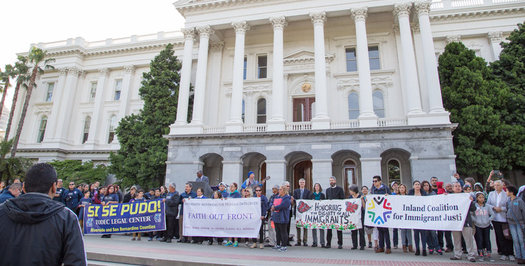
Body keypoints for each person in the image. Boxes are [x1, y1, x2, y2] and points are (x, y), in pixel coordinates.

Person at [0, 163, 86, 265]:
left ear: (23, 187)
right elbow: (76, 261)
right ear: (54, 187)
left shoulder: (2, 211)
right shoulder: (66, 218)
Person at [487, 180, 514, 261]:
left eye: (498, 185)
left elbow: (509, 205)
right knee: (500, 237)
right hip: (495, 219)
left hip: (505, 218)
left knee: (508, 236)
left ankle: (510, 253)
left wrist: (501, 209)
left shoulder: (506, 194)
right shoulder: (491, 194)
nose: (496, 187)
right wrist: (494, 208)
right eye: (495, 185)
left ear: (502, 186)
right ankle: (504, 252)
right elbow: (488, 204)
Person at [450, 182, 477, 262]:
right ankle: (457, 255)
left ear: (461, 188)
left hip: (466, 221)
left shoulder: (467, 196)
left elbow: (473, 209)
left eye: (459, 186)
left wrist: (471, 201)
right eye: (456, 186)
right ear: (453, 188)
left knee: (468, 239)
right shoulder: (450, 197)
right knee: (456, 239)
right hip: (455, 221)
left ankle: (471, 255)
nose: (458, 187)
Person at [371, 175, 391, 254]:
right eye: (373, 181)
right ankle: (381, 246)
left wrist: (388, 196)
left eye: (376, 181)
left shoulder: (385, 188)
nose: (374, 183)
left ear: (380, 181)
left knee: (385, 230)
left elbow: (391, 198)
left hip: (385, 211)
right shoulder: (373, 190)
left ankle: (388, 247)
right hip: (377, 212)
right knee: (380, 230)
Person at [472, 191, 494, 262]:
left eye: (482, 197)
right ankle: (480, 253)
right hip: (478, 225)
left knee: (487, 239)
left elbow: (492, 214)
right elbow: (471, 214)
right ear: (477, 198)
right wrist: (475, 220)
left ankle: (488, 253)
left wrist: (489, 220)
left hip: (486, 225)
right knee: (479, 239)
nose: (481, 199)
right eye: (479, 197)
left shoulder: (487, 206)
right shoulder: (475, 206)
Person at [422, 180, 442, 255]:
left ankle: (437, 247)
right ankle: (430, 247)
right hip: (424, 216)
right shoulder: (421, 194)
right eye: (424, 185)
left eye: (427, 185)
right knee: (426, 233)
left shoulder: (433, 193)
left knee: (433, 233)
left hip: (432, 216)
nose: (426, 187)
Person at [506, 185, 525, 264]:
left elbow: (523, 211)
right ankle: (518, 256)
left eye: (507, 191)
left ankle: (523, 256)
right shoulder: (508, 201)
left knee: (521, 240)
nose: (506, 192)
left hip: (519, 222)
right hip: (511, 223)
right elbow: (507, 209)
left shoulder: (519, 201)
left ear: (511, 192)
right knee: (515, 240)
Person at [324, 176, 344, 249]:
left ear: (335, 181)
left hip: (338, 212)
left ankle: (340, 243)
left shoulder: (340, 189)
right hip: (330, 212)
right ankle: (328, 243)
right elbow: (326, 199)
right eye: (330, 181)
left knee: (339, 228)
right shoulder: (327, 190)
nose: (331, 182)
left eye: (332, 180)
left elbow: (342, 199)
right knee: (329, 228)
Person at [409, 180, 427, 256]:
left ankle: (424, 249)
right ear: (413, 186)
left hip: (422, 216)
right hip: (414, 216)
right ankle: (417, 249)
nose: (417, 186)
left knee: (423, 234)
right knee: (416, 234)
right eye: (415, 184)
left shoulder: (423, 193)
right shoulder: (410, 193)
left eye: (418, 184)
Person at [271, 185, 291, 252]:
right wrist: (272, 206)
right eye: (279, 189)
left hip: (283, 217)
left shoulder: (286, 198)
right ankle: (278, 244)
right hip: (276, 216)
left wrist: (275, 208)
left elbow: (284, 205)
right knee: (278, 231)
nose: (279, 190)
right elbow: (273, 203)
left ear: (284, 190)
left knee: (283, 231)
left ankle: (284, 245)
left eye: (280, 189)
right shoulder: (277, 196)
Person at [292, 178, 312, 246]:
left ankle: (305, 240)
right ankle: (298, 241)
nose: (302, 184)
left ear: (305, 183)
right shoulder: (296, 191)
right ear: (299, 183)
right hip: (297, 211)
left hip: (305, 211)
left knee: (305, 226)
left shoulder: (308, 191)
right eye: (301, 182)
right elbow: (294, 200)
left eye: (303, 182)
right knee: (298, 226)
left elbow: (309, 201)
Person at [397, 184, 413, 253]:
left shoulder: (408, 197)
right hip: (400, 216)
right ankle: (404, 245)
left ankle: (410, 246)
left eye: (403, 187)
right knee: (403, 231)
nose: (402, 189)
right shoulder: (396, 197)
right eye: (400, 188)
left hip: (407, 216)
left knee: (409, 231)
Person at [349, 184, 366, 250]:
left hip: (360, 215)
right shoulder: (350, 197)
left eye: (351, 190)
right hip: (353, 216)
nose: (350, 192)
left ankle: (362, 245)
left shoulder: (360, 196)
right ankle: (354, 244)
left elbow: (364, 206)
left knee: (361, 231)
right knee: (353, 230)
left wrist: (361, 200)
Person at [225, 182, 241, 247]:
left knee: (235, 227)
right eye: (230, 186)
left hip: (235, 212)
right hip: (229, 212)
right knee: (229, 227)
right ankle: (230, 240)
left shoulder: (237, 194)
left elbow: (238, 202)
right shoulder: (229, 194)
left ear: (235, 187)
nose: (231, 188)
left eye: (232, 186)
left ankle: (236, 241)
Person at [310, 183, 326, 248]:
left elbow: (325, 203)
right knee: (314, 228)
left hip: (320, 214)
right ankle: (314, 242)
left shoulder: (322, 195)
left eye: (318, 186)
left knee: (321, 228)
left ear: (320, 187)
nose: (316, 187)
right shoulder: (312, 195)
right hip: (314, 214)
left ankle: (322, 242)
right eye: (315, 186)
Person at [390, 181, 399, 249]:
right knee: (395, 229)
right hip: (394, 213)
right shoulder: (391, 194)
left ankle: (406, 243)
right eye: (394, 185)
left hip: (401, 212)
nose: (396, 186)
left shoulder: (401, 194)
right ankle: (395, 243)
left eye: (396, 185)